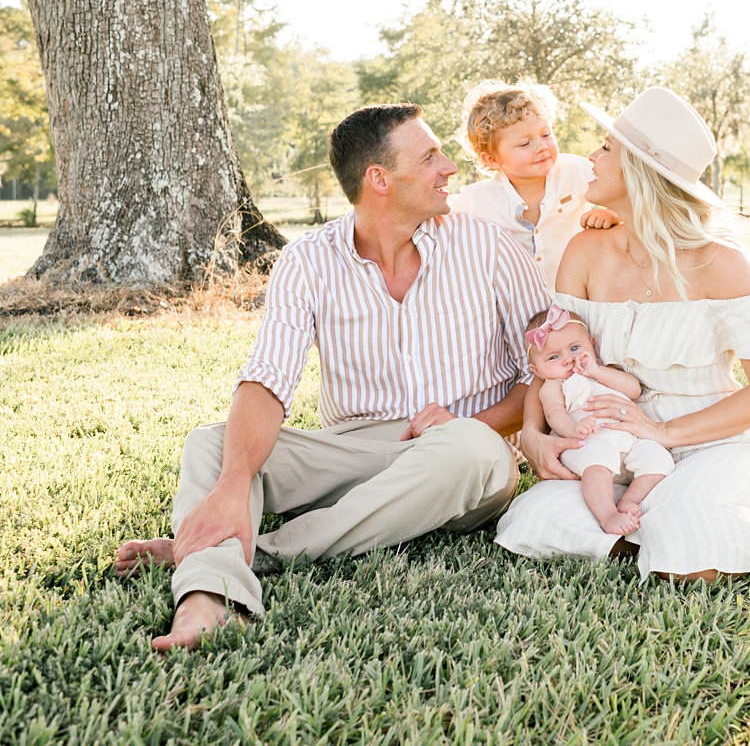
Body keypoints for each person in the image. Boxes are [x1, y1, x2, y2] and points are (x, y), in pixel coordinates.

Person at [114, 104, 549, 651]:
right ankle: (209, 598)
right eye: (431, 155)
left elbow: (544, 372)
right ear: (379, 179)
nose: (449, 168)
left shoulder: (489, 247)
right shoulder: (309, 260)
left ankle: (245, 550)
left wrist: (468, 421)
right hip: (357, 451)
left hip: (462, 458)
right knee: (212, 444)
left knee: (473, 447)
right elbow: (267, 378)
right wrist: (230, 487)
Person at [496, 87, 750, 582]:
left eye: (606, 149)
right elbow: (554, 358)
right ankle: (655, 523)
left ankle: (691, 524)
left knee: (689, 545)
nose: (592, 159)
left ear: (641, 171)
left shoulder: (723, 265)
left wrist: (665, 433)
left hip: (712, 441)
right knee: (532, 520)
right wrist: (536, 438)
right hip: (616, 444)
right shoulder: (584, 251)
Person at [525, 304, 674, 537]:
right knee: (596, 462)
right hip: (587, 441)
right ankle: (608, 515)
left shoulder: (600, 371)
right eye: (553, 357)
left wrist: (595, 371)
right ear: (537, 370)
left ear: (592, 345)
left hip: (628, 438)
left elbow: (633, 389)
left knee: (658, 457)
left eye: (575, 348)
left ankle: (629, 500)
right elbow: (554, 415)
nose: (568, 359)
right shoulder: (553, 386)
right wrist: (574, 429)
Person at [449, 81, 605, 289]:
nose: (541, 147)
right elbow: (436, 222)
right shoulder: (476, 200)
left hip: (575, 296)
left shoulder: (576, 171)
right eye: (524, 144)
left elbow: (624, 188)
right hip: (517, 310)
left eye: (546, 134)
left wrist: (612, 214)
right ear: (492, 160)